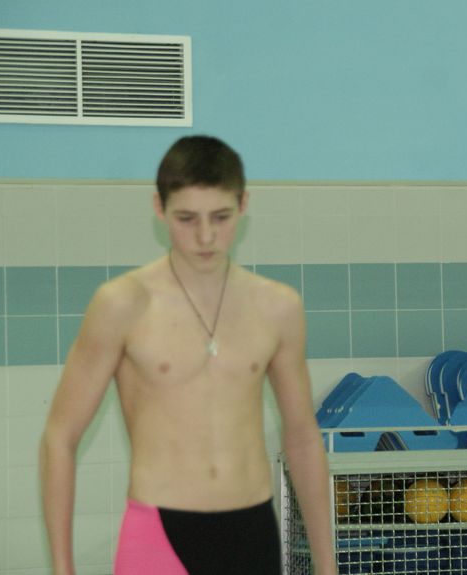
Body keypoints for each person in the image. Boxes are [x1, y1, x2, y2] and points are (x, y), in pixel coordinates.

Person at [39, 135, 338, 574]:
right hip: (158, 535)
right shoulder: (123, 304)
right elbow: (60, 436)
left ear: (243, 204)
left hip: (251, 533)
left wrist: (327, 566)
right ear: (159, 208)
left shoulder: (277, 307)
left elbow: (303, 438)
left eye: (221, 217)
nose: (205, 236)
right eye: (186, 218)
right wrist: (62, 569)